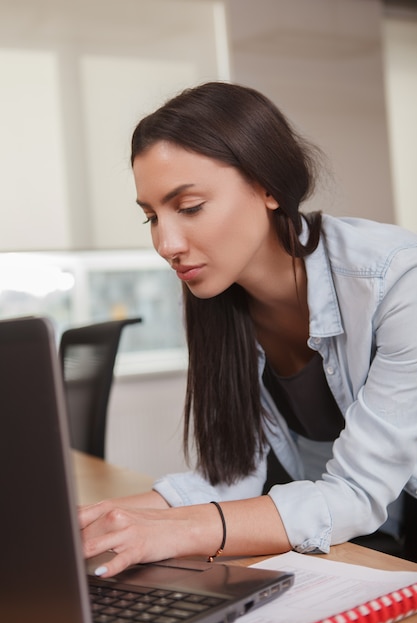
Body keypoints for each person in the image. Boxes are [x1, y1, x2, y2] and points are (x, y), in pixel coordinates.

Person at [79, 81, 417, 578]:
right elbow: (232, 475)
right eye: (151, 217)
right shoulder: (216, 294)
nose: (167, 243)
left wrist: (178, 530)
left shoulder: (396, 280)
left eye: (190, 207)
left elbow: (356, 494)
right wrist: (92, 521)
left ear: (269, 188)